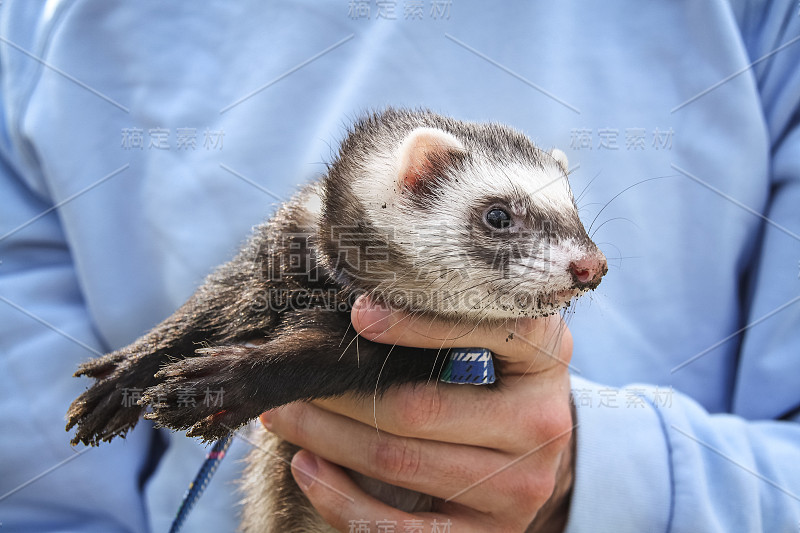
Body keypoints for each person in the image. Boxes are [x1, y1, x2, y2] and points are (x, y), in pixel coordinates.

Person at [0, 1, 798, 531]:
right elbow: (37, 495)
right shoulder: (35, 30)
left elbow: (325, 360)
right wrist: (144, 370)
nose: (587, 263)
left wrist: (617, 482)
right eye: (497, 218)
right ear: (412, 184)